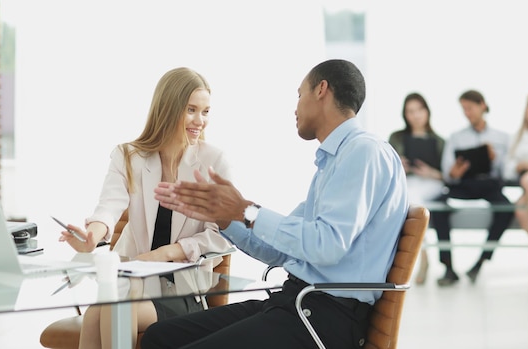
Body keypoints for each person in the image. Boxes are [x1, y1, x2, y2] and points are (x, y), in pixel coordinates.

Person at [143, 59, 408, 349]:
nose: (295, 108)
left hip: (323, 317)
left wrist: (247, 210)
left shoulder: (364, 152)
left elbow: (327, 245)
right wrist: (224, 218)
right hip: (296, 303)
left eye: (299, 94)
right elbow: (277, 250)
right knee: (160, 336)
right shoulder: (336, 162)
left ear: (321, 90)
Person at [58, 67, 233, 349]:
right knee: (95, 316)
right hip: (131, 286)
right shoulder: (128, 156)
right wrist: (93, 234)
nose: (200, 121)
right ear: (168, 108)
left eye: (206, 111)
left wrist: (167, 253)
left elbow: (223, 233)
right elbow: (108, 207)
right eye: (191, 110)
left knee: (113, 311)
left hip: (183, 292)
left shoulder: (214, 161)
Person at [431, 89, 513, 286]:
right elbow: (447, 172)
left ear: (482, 106)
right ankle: (448, 267)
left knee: (506, 209)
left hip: (489, 185)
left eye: (470, 108)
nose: (467, 113)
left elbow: (507, 173)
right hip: (465, 184)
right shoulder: (456, 137)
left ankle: (480, 263)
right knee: (438, 205)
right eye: (464, 109)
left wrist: (494, 159)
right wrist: (454, 173)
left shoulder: (502, 137)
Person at [388, 92, 445, 284]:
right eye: (410, 111)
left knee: (413, 200)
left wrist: (429, 172)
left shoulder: (439, 141)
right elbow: (386, 168)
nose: (416, 115)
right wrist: (399, 166)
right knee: (412, 196)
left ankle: (421, 258)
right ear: (405, 115)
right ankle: (423, 257)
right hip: (408, 181)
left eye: (419, 110)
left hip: (432, 183)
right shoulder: (396, 137)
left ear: (427, 111)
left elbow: (447, 177)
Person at [503, 89, 528, 239]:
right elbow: (507, 170)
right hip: (527, 187)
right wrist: (522, 165)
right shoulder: (516, 137)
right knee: (521, 208)